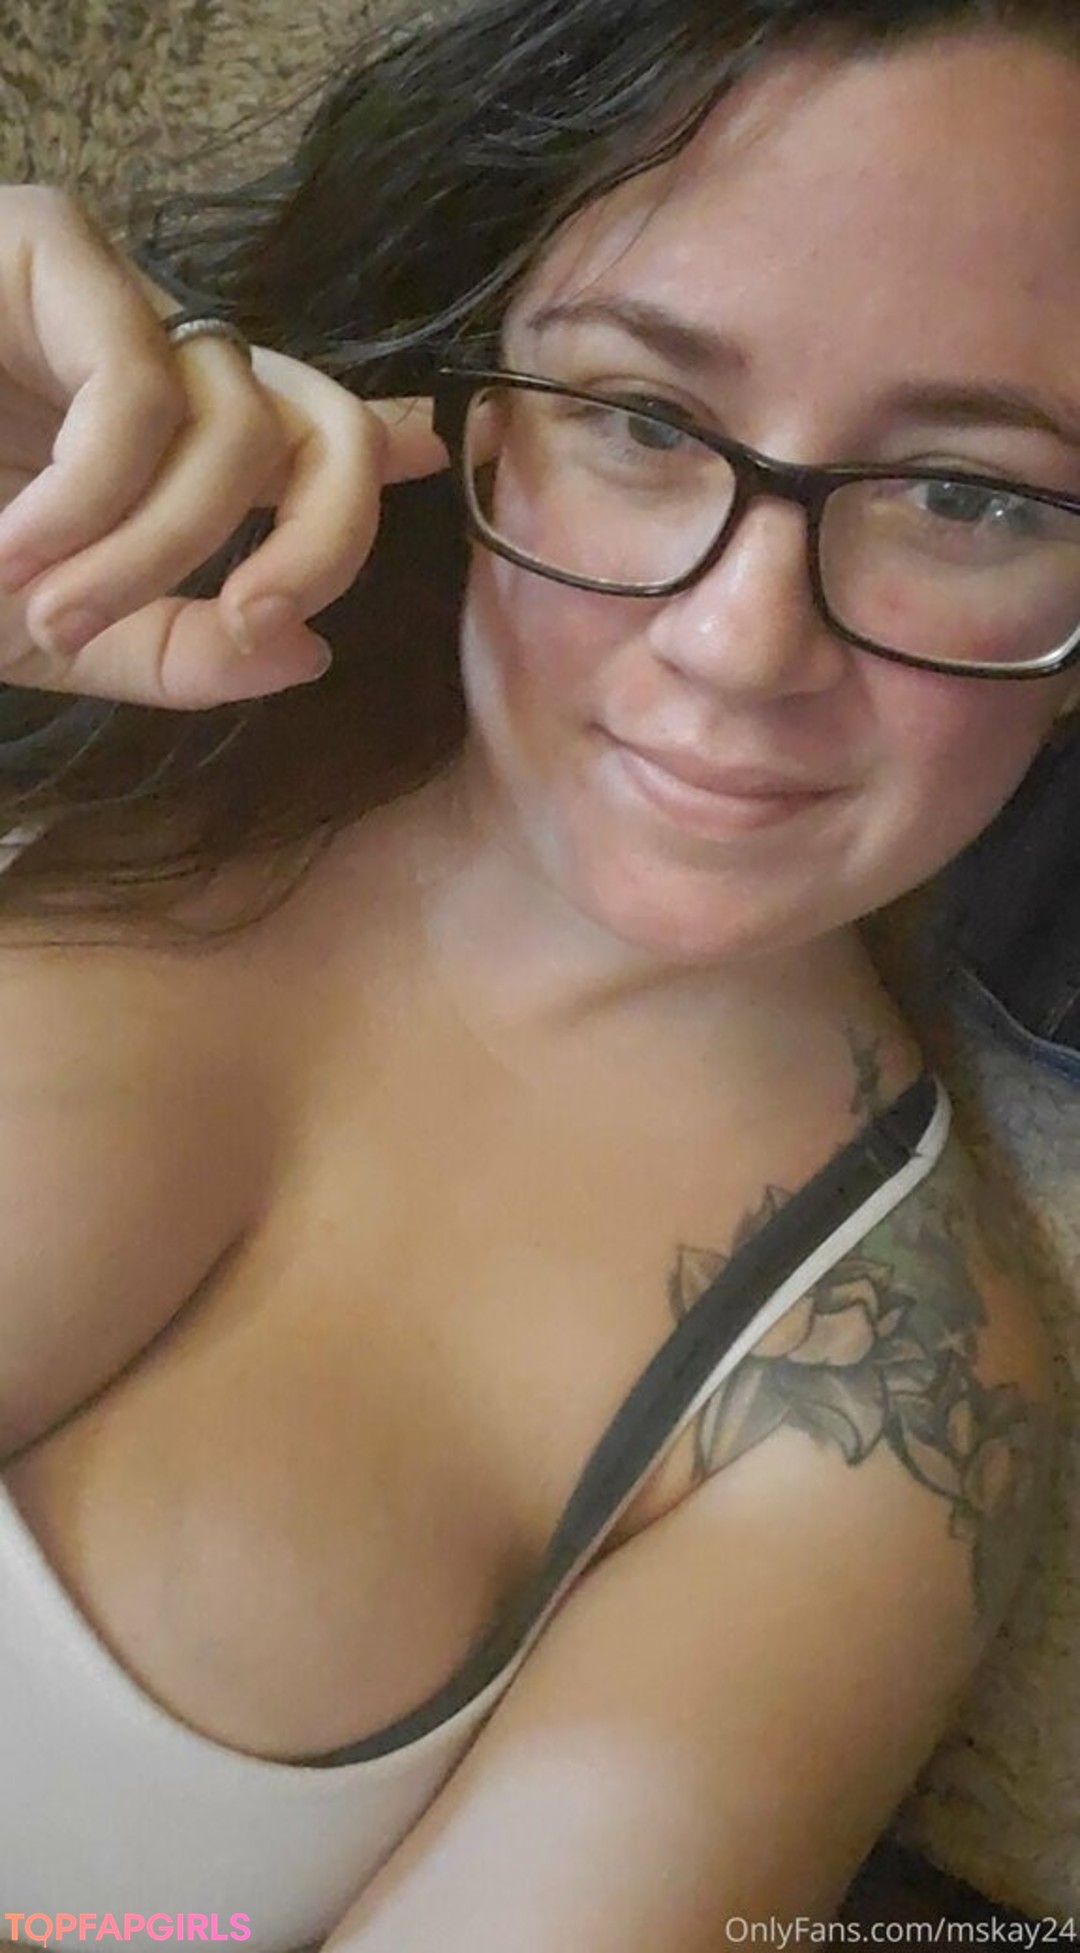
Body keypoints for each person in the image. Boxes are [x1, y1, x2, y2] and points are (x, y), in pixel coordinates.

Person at [0, 1, 1078, 1944]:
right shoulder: (79, 628)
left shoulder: (870, 1399)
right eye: (645, 421)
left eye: (971, 495)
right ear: (486, 403)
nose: (740, 643)